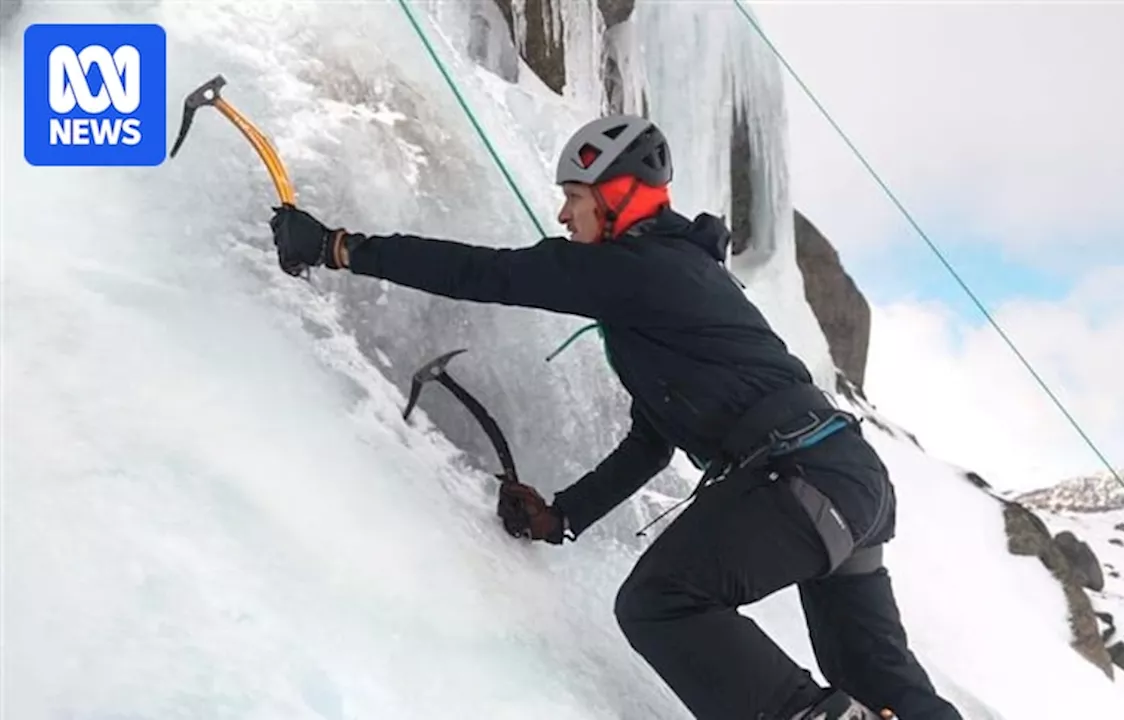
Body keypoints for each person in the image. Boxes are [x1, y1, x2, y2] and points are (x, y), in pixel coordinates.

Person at [269, 113, 963, 720]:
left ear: (620, 197)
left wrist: (338, 247)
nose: (565, 216)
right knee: (877, 678)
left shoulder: (643, 268)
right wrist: (563, 515)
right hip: (847, 480)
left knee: (661, 601)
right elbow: (651, 445)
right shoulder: (669, 288)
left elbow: (489, 274)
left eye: (574, 198)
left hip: (801, 473)